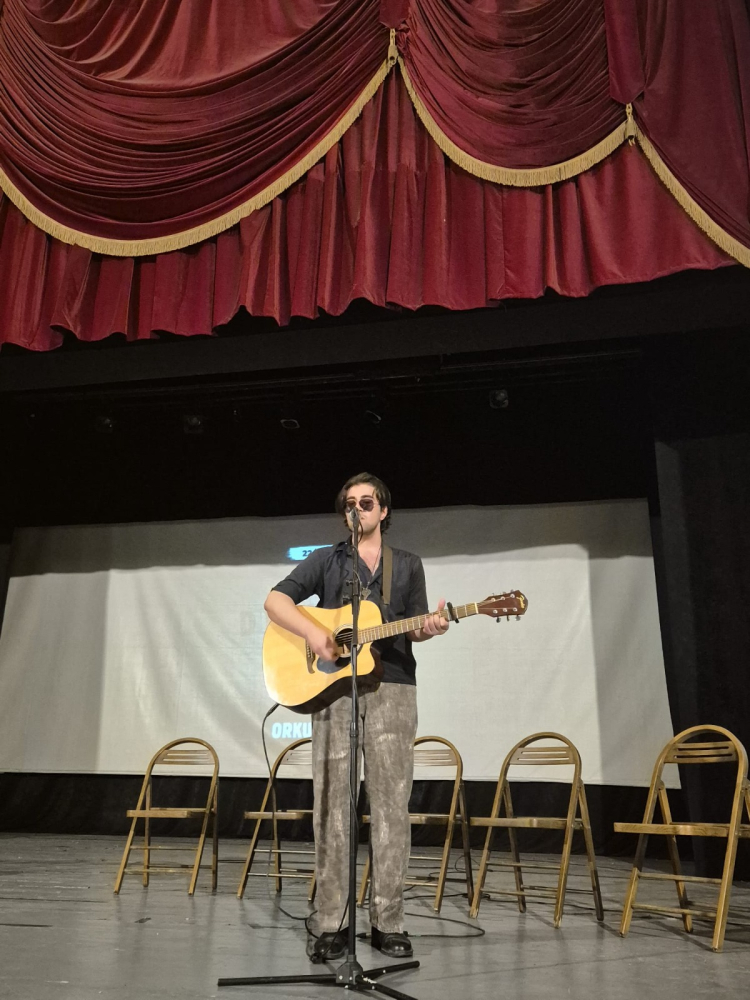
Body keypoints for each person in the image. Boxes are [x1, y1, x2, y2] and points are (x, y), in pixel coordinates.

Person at [264, 472, 449, 961]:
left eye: (367, 502)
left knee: (390, 806)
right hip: (333, 690)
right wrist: (314, 633)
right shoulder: (327, 560)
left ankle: (388, 921)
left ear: (383, 511)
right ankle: (332, 921)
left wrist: (431, 626)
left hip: (394, 687)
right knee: (333, 805)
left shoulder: (406, 564)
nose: (358, 509)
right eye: (350, 503)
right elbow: (275, 601)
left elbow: (414, 628)